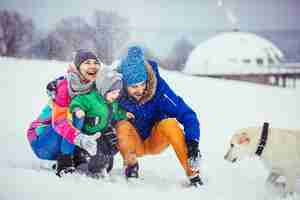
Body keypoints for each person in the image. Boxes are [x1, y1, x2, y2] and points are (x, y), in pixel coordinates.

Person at [115, 46, 203, 186]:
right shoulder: (114, 90)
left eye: (142, 84)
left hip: (155, 140)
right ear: (124, 85)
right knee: (121, 125)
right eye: (134, 87)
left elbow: (187, 114)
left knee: (170, 124)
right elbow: (96, 107)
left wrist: (193, 141)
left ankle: (193, 174)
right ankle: (131, 167)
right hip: (131, 142)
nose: (139, 90)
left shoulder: (159, 90)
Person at [27, 49, 103, 177]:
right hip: (41, 140)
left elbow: (115, 80)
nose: (92, 66)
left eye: (96, 62)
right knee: (77, 114)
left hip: (65, 137)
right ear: (78, 67)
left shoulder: (94, 86)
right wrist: (79, 138)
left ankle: (76, 156)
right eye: (87, 62)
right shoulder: (65, 87)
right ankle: (65, 160)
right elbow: (59, 122)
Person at [69, 68, 132, 177]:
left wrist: (124, 114)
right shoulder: (91, 98)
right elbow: (77, 101)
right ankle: (91, 166)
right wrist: (78, 110)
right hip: (89, 133)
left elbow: (115, 113)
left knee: (113, 145)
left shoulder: (112, 102)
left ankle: (105, 163)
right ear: (104, 89)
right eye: (113, 92)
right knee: (98, 152)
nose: (116, 95)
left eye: (117, 92)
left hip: (103, 130)